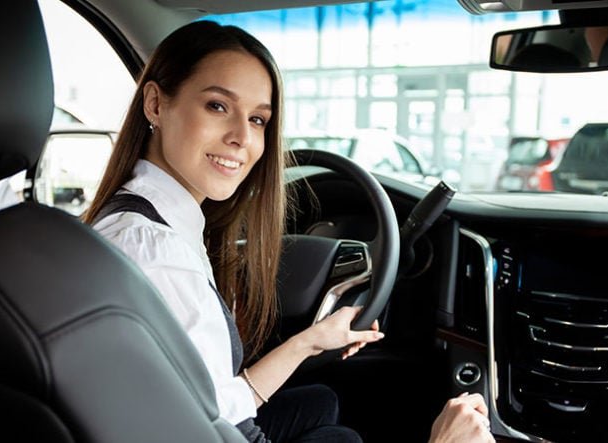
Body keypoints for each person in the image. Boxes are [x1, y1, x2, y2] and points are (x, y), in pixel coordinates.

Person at [84, 20, 493, 443]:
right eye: (218, 106)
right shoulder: (157, 251)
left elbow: (211, 401)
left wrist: (310, 342)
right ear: (155, 104)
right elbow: (206, 424)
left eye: (258, 119)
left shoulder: (147, 220)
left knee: (322, 401)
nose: (242, 137)